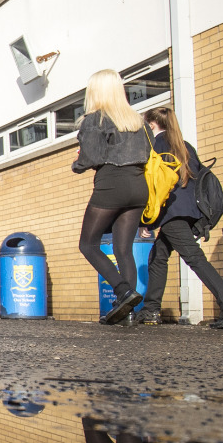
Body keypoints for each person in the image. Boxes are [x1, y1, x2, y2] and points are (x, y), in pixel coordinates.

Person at [137, 106, 223, 329]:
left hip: (171, 212)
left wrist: (145, 220)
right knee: (158, 256)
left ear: (151, 124)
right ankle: (151, 310)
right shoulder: (184, 145)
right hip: (190, 211)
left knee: (195, 258)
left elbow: (153, 184)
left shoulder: (154, 145)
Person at [73, 69, 152, 326]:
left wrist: (77, 163)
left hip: (111, 185)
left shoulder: (95, 119)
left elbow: (90, 159)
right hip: (138, 186)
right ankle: (127, 312)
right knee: (123, 249)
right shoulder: (137, 120)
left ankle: (123, 291)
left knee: (88, 245)